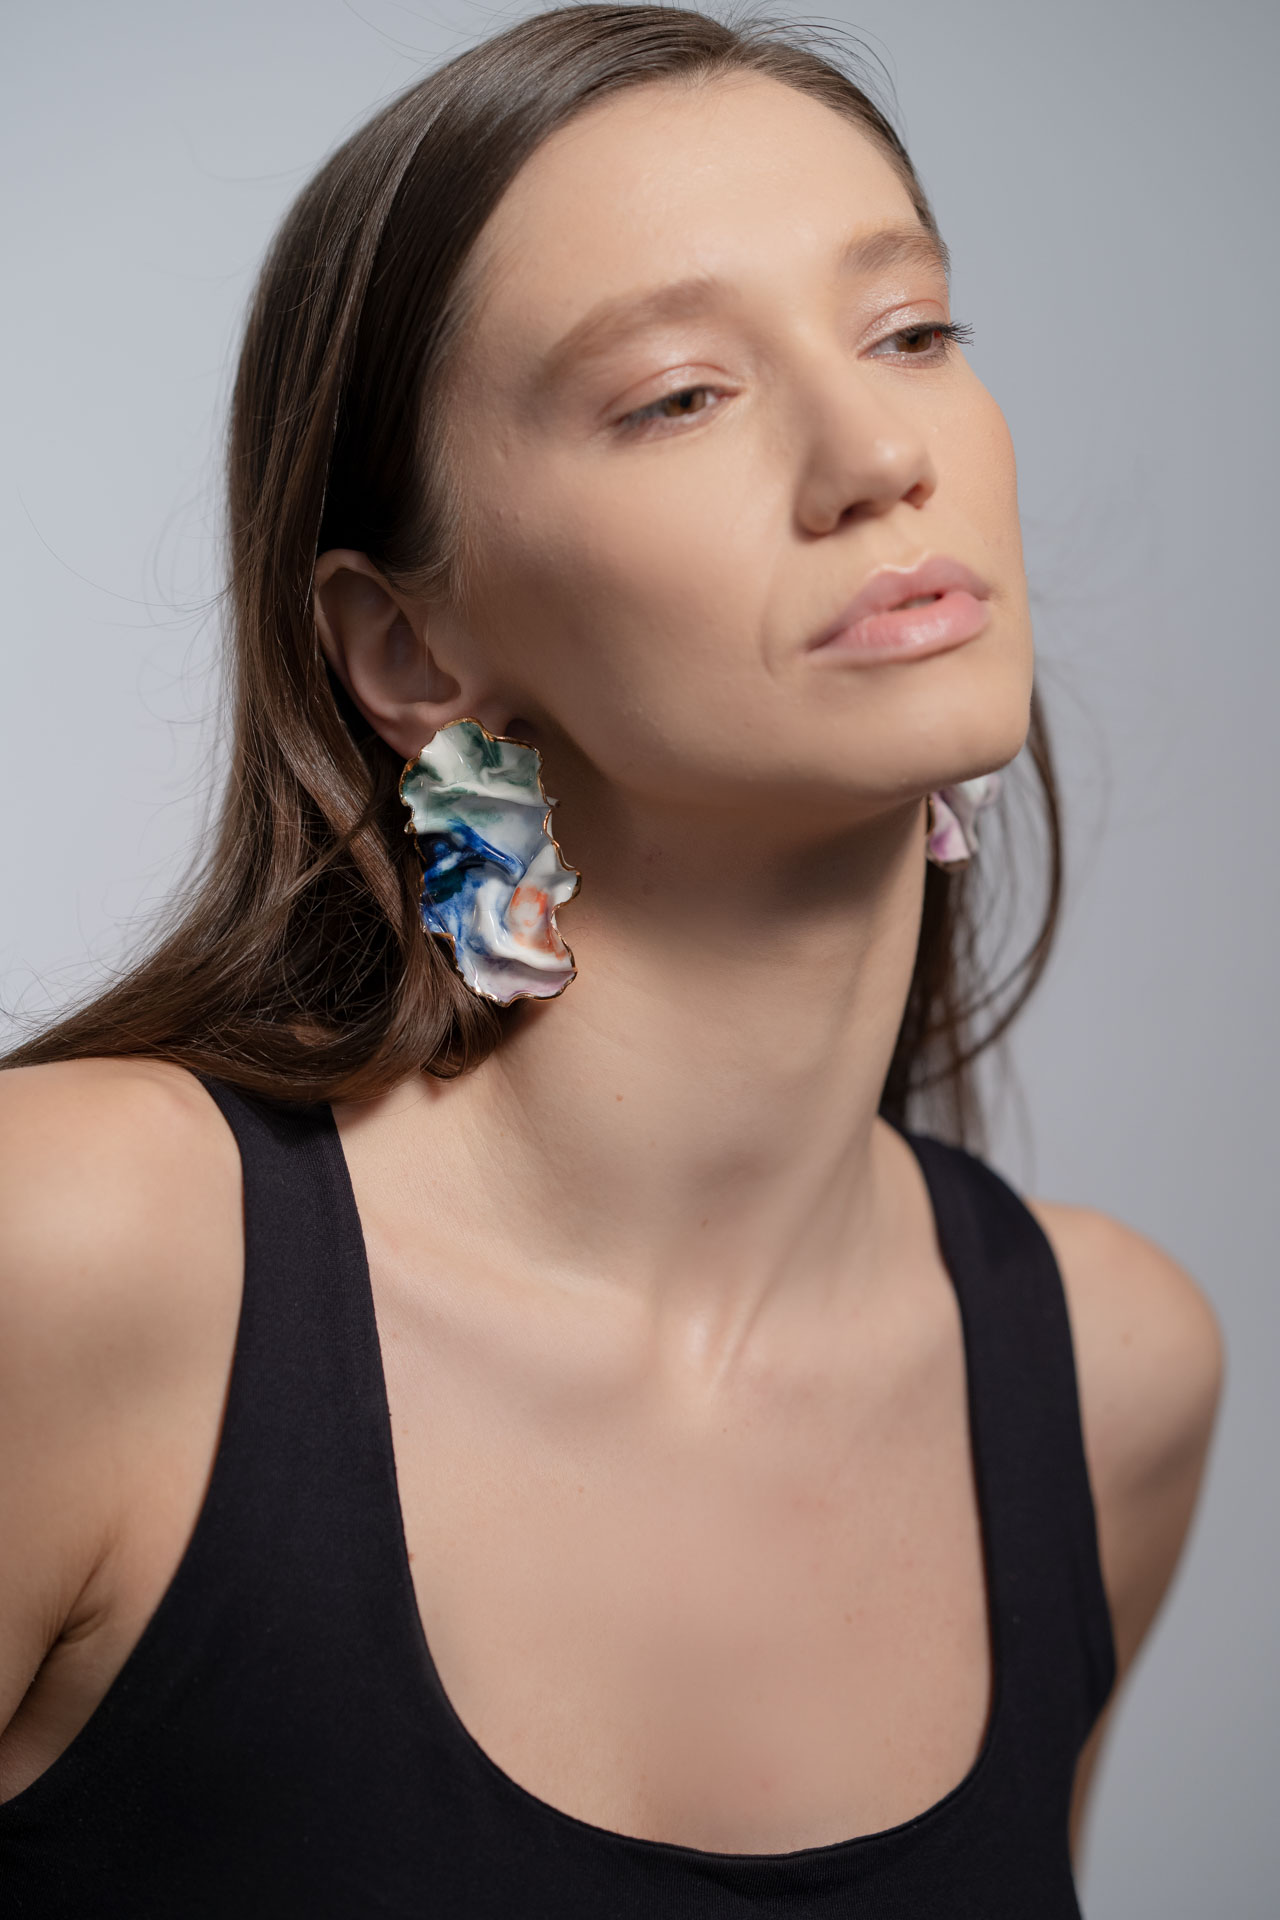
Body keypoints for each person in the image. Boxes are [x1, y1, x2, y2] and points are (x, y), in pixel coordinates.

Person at [0, 7, 1223, 1914]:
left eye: (911, 330)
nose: (879, 452)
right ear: (409, 652)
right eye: (679, 395)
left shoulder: (1105, 1379)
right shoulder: (76, 1254)